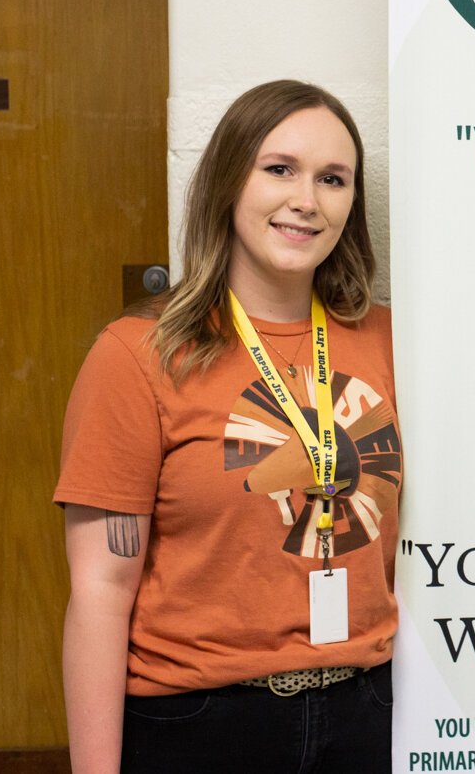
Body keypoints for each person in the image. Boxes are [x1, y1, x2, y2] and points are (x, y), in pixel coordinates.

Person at [56, 81, 401, 773]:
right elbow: (101, 592)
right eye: (279, 169)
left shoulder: (392, 341)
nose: (307, 198)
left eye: (333, 179)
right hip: (201, 722)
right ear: (226, 182)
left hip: (370, 712)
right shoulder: (139, 357)